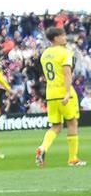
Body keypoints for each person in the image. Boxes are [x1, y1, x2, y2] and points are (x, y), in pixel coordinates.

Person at [36, 26, 83, 167]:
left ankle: (42, 148)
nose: (65, 37)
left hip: (51, 93)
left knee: (56, 126)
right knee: (72, 123)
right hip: (64, 92)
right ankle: (73, 158)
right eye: (63, 35)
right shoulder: (65, 52)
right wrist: (68, 92)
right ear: (56, 38)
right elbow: (67, 73)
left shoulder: (45, 54)